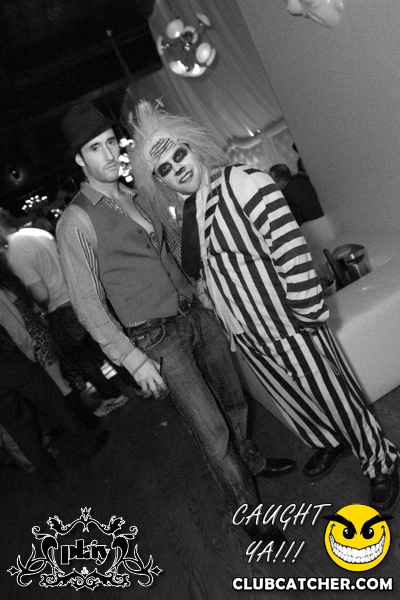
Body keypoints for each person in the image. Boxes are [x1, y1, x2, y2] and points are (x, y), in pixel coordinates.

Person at [128, 100, 399, 512]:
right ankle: (330, 441)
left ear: (193, 148)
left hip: (287, 320)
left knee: (332, 392)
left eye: (179, 154)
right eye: (164, 168)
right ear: (160, 180)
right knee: (293, 396)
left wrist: (306, 311)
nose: (177, 168)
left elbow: (289, 246)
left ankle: (380, 459)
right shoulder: (190, 212)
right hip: (247, 332)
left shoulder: (243, 181)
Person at [56, 102, 295, 544]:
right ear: (79, 159)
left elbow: (171, 251)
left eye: (110, 143)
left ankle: (253, 461)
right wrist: (132, 360)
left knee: (234, 401)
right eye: (95, 148)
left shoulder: (136, 195)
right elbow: (87, 305)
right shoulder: (76, 220)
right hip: (154, 336)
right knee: (210, 427)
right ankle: (248, 510)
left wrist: (204, 294)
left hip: (194, 314)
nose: (109, 154)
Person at [0, 211, 128, 420]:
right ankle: (138, 384)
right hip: (78, 295)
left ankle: (112, 396)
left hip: (60, 307)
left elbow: (42, 293)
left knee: (82, 358)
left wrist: (36, 303)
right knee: (107, 345)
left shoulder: (15, 253)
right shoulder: (36, 232)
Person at [0, 325, 109, 481]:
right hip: (9, 361)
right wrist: (27, 350)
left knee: (17, 426)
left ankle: (48, 470)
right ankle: (88, 442)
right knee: (52, 401)